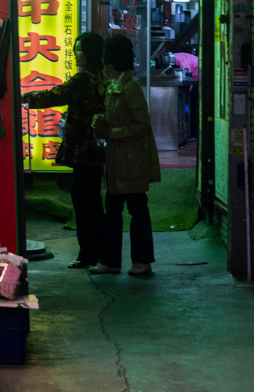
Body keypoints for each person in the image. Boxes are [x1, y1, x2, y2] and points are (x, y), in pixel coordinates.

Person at [23, 32, 108, 269]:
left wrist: (22, 99)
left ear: (91, 53)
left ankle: (88, 254)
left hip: (83, 150)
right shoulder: (102, 78)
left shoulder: (83, 80)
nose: (76, 53)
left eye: (80, 49)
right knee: (91, 201)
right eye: (76, 48)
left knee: (83, 202)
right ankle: (98, 251)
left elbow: (54, 95)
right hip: (95, 150)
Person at [90, 35, 160, 276]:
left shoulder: (130, 89)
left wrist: (112, 132)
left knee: (137, 210)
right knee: (113, 212)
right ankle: (112, 260)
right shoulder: (115, 86)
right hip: (118, 162)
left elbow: (142, 125)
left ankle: (140, 261)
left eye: (105, 59)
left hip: (131, 162)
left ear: (111, 61)